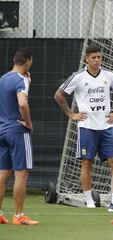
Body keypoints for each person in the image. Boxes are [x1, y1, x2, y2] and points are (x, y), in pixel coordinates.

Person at [54, 45, 113, 208]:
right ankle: (89, 199)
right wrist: (71, 114)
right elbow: (59, 95)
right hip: (87, 127)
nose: (97, 60)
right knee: (87, 163)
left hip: (106, 126)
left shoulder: (109, 75)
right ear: (87, 59)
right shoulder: (78, 77)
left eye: (99, 57)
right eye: (94, 57)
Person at [0, 48, 38, 225]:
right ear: (28, 62)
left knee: (2, 174)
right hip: (17, 131)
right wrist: (29, 124)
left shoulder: (3, 78)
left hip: (2, 131)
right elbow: (22, 103)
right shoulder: (21, 79)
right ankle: (19, 216)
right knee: (21, 174)